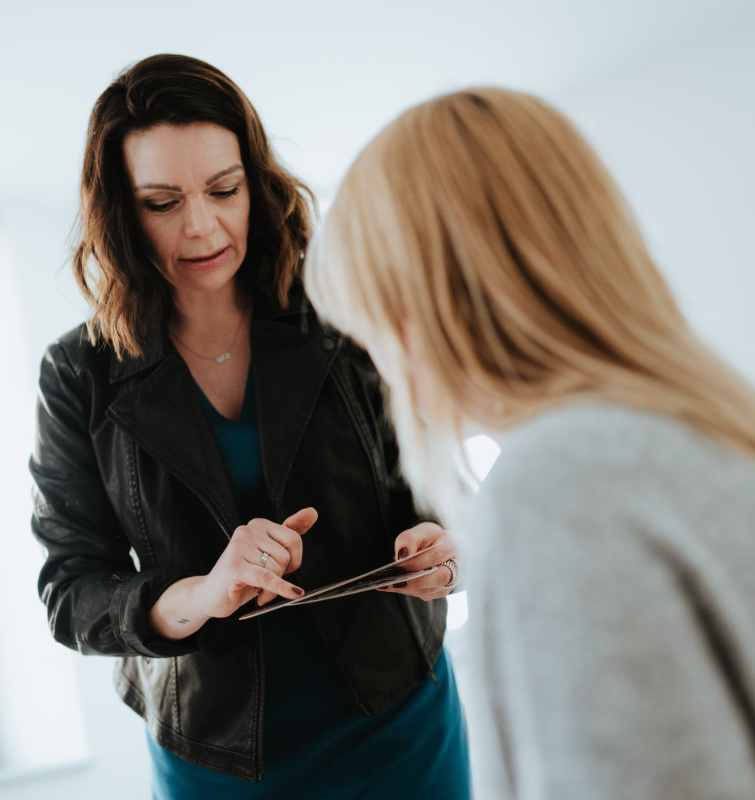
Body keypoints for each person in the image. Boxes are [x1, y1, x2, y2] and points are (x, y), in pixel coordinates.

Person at [29, 54, 472, 799]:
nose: (203, 227)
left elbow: (441, 489)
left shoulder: (346, 314)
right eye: (162, 202)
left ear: (255, 186)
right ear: (120, 211)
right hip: (214, 753)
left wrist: (444, 547)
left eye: (223, 190)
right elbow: (72, 593)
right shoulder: (79, 372)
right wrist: (201, 594)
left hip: (395, 721)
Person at [305, 86, 755, 800]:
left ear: (418, 306)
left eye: (369, 336)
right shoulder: (707, 429)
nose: (382, 371)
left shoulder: (563, 484)